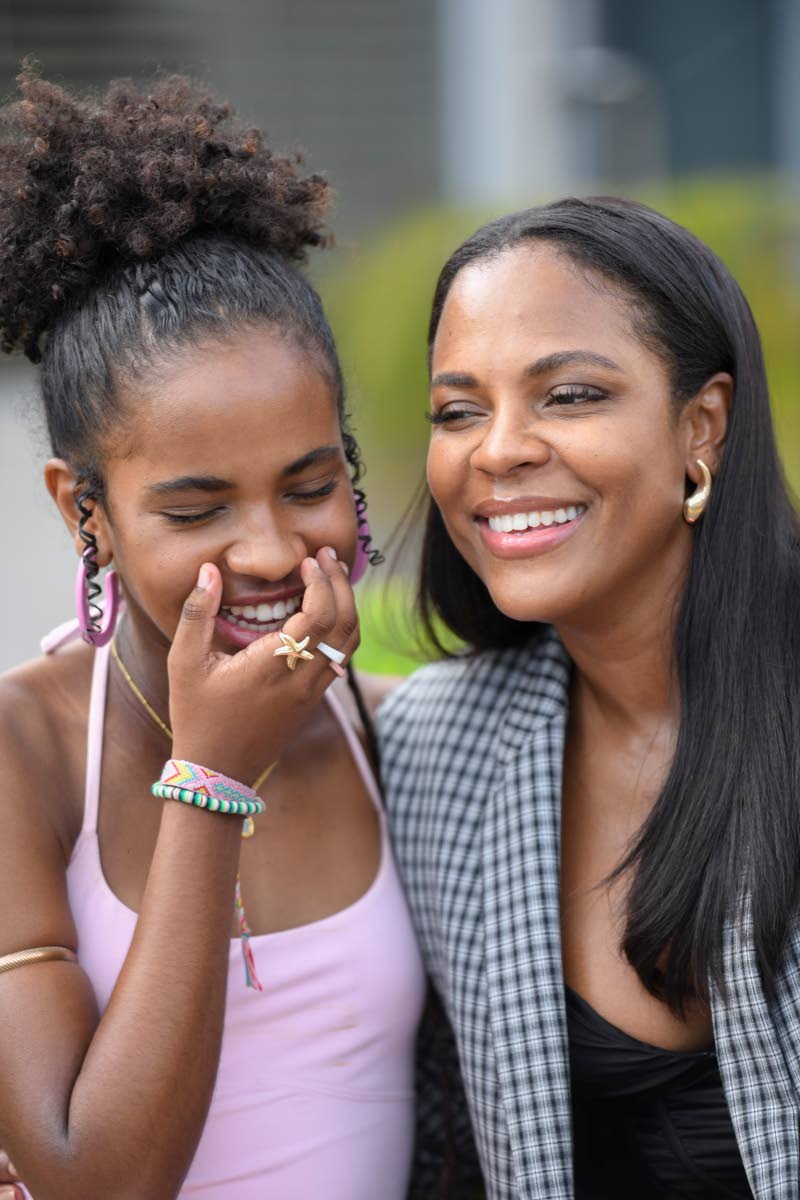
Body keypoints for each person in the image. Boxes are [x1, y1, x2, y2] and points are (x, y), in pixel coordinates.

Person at [0, 69, 425, 1200]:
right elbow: (95, 1179)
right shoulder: (24, 753)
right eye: (195, 511)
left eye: (310, 482)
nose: (272, 551)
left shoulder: (398, 735)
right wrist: (209, 775)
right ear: (80, 507)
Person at [379, 198, 800, 1199]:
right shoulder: (436, 751)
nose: (497, 450)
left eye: (566, 396)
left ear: (702, 425)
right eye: (457, 410)